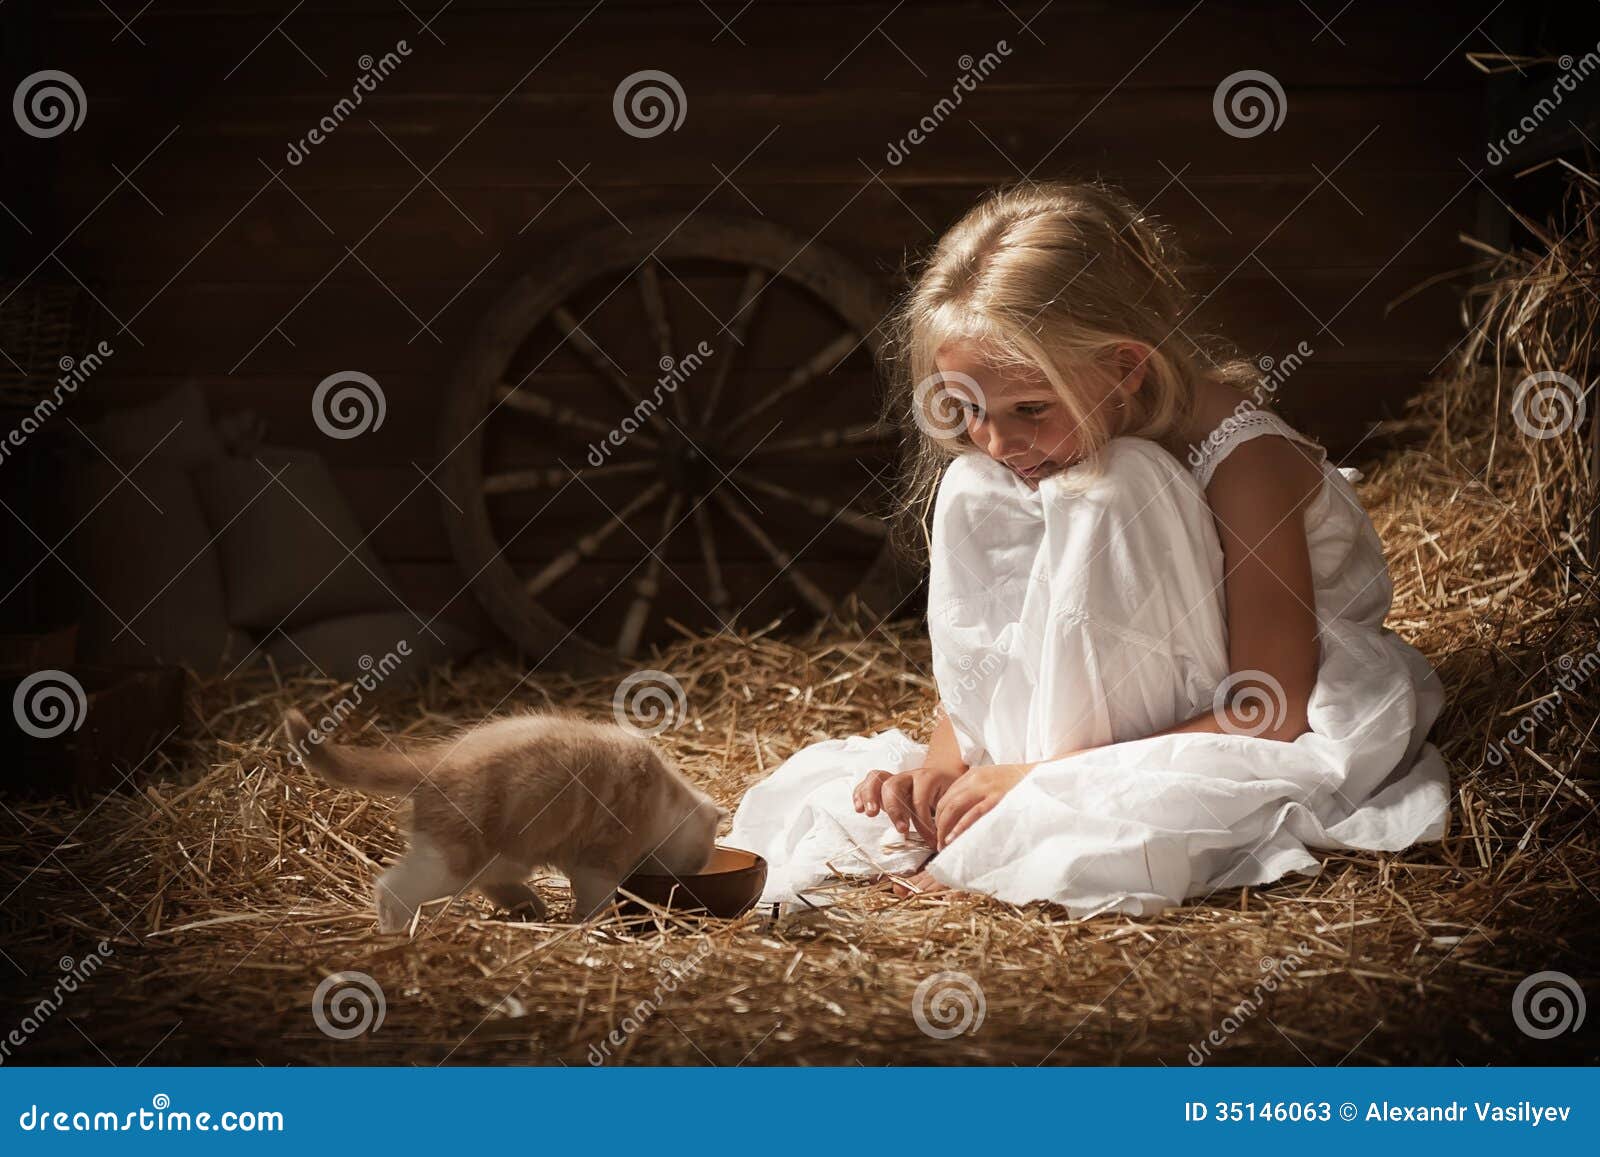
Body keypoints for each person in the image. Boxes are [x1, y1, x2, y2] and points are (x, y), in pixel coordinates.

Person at [725, 180, 1449, 917]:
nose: (999, 441)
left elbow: (1271, 708)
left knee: (1117, 485)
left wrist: (1040, 781)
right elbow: (1021, 635)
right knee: (972, 487)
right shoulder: (1028, 454)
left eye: (1029, 409)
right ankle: (985, 797)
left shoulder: (1243, 457)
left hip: (1234, 708)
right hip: (1099, 715)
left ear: (1126, 368)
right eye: (968, 409)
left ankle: (1033, 803)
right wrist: (943, 767)